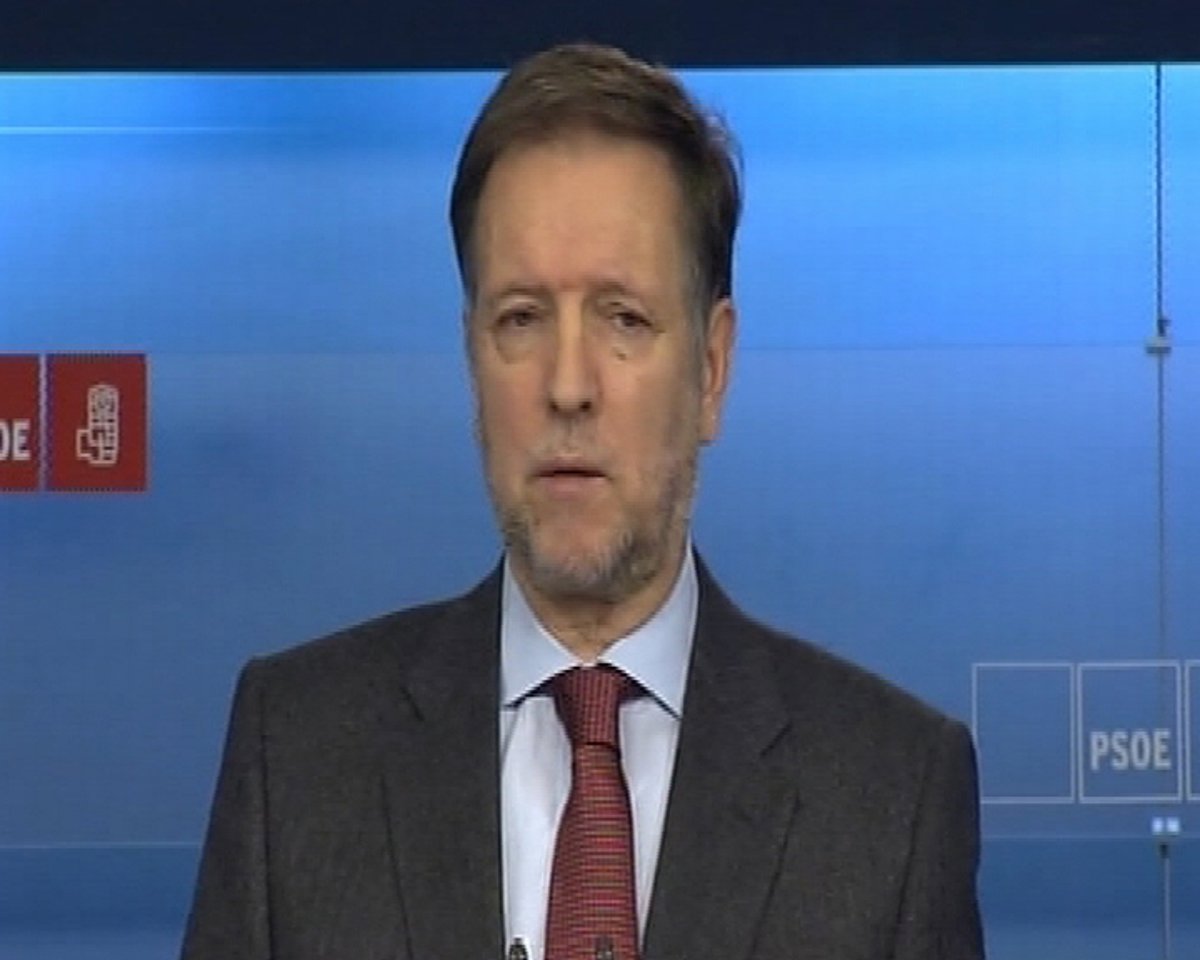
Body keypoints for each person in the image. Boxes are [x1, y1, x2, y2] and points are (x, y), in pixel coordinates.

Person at [180, 42, 984, 960]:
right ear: (473, 359)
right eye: (522, 318)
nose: (568, 386)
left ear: (712, 368)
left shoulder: (892, 794)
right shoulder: (296, 751)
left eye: (623, 319)